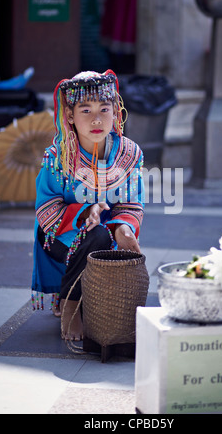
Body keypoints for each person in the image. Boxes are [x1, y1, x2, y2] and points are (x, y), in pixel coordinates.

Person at [31, 70, 145, 341]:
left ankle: (75, 295)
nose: (96, 119)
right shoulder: (57, 157)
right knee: (94, 235)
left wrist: (123, 229)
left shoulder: (129, 154)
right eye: (86, 110)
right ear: (70, 116)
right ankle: (71, 304)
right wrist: (85, 212)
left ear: (116, 112)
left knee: (104, 236)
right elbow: (46, 209)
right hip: (59, 235)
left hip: (107, 234)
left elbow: (131, 202)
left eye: (104, 109)